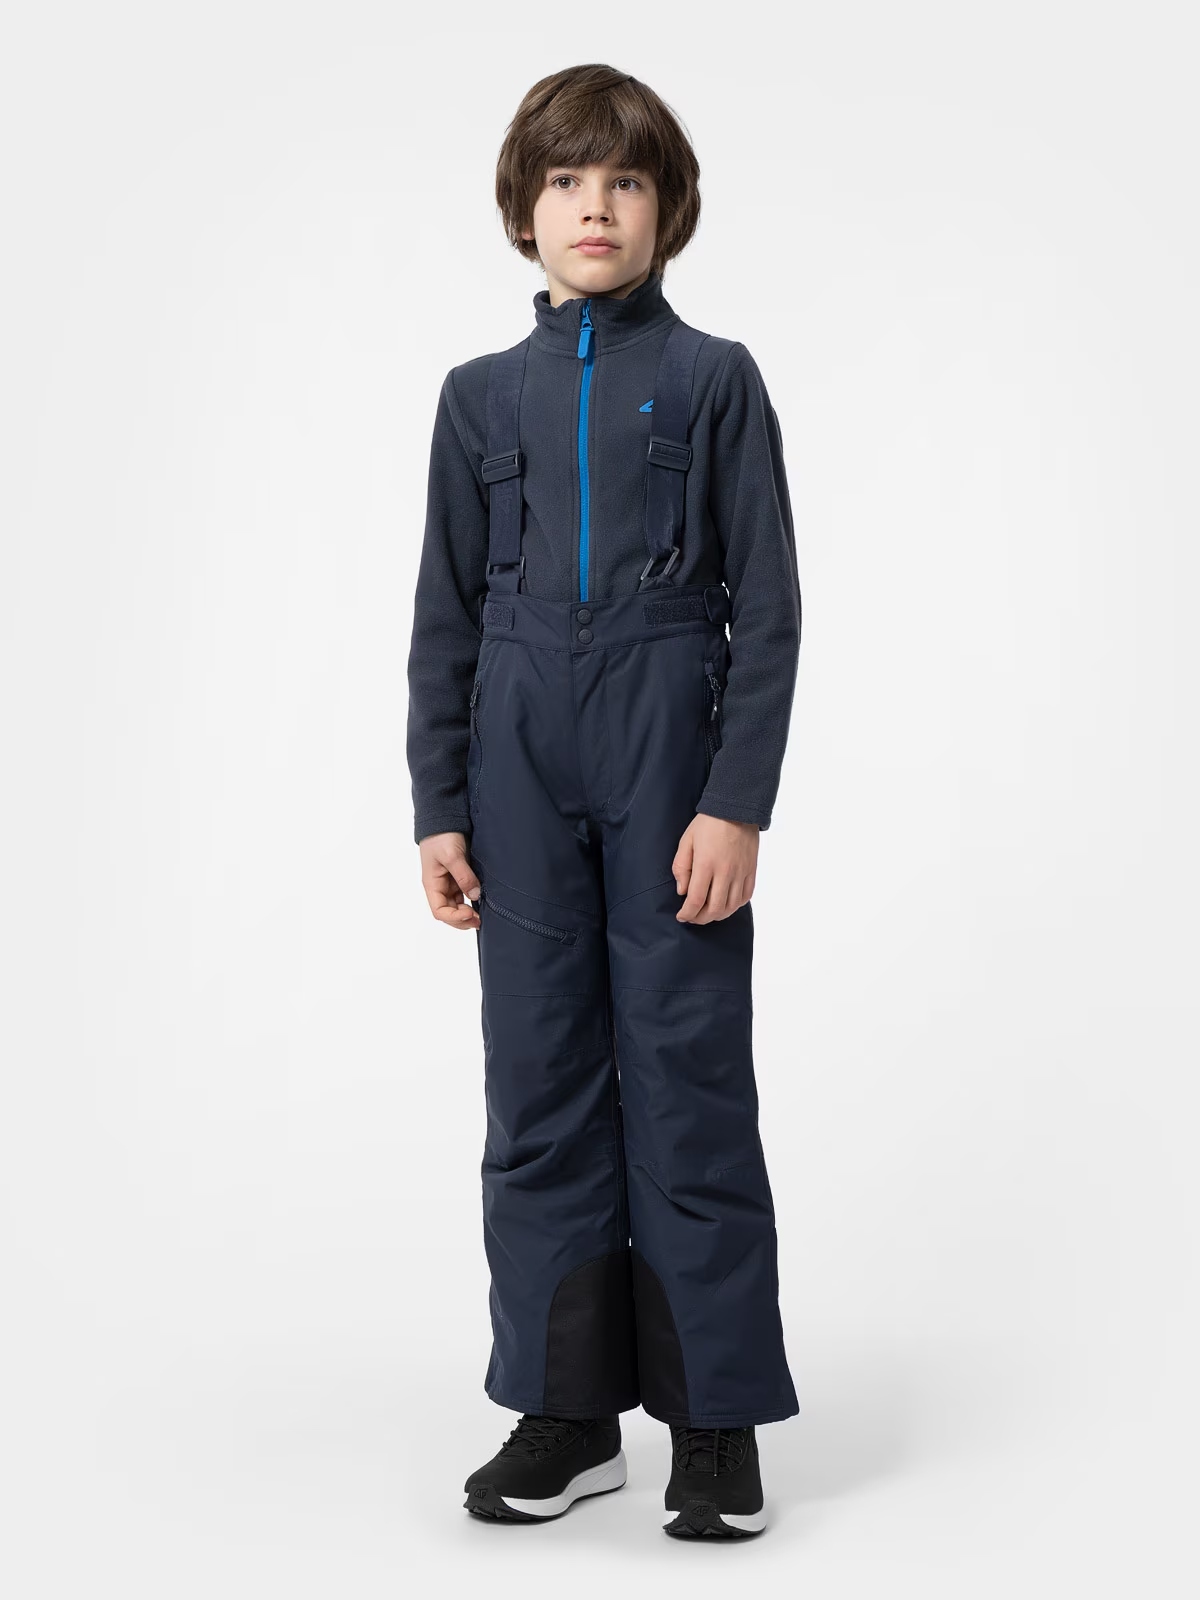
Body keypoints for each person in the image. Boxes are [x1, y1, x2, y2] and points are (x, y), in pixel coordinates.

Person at [406, 62, 802, 1540]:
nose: (595, 206)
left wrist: (736, 800)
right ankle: (567, 1413)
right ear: (524, 210)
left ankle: (715, 1419)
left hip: (668, 760)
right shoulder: (475, 401)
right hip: (516, 768)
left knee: (688, 1081)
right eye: (567, 180)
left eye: (625, 181)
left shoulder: (714, 381)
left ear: (666, 211)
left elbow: (768, 610)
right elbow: (444, 619)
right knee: (539, 1088)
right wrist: (439, 806)